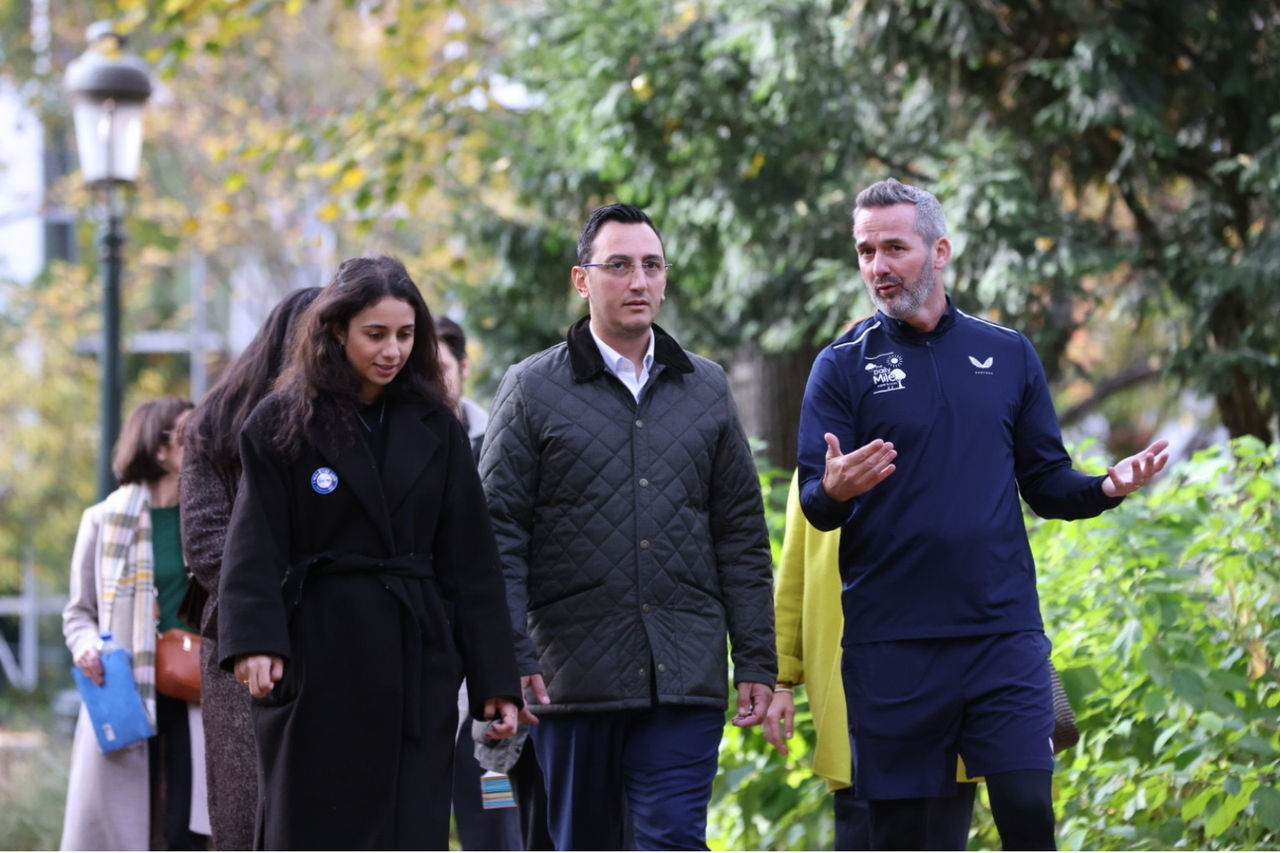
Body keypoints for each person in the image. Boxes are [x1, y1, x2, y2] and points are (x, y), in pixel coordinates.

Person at [797, 178, 1169, 850]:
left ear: (939, 251)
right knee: (907, 838)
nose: (877, 266)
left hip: (1002, 636)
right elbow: (813, 504)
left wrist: (1106, 486)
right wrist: (835, 489)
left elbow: (1048, 483)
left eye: (894, 248)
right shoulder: (841, 367)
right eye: (864, 251)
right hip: (892, 646)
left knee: (1029, 811)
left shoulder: (1006, 354)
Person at [479, 203, 777, 851]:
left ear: (665, 279)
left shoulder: (706, 387)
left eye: (651, 265)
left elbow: (741, 533)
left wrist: (756, 658)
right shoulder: (530, 389)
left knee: (670, 838)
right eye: (618, 265)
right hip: (573, 674)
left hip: (684, 671)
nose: (638, 281)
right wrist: (510, 655)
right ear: (582, 280)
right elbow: (497, 533)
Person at [216, 255, 521, 849]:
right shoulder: (282, 422)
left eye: (405, 335)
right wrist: (255, 640)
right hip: (319, 653)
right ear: (336, 332)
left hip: (416, 659)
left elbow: (472, 562)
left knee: (408, 824)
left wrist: (495, 678)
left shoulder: (438, 423)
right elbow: (252, 541)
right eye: (375, 334)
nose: (393, 351)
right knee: (313, 825)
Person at [763, 471, 977, 850]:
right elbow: (795, 576)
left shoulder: (948, 444)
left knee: (941, 829)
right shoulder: (823, 459)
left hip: (946, 677)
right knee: (864, 828)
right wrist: (779, 677)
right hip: (857, 689)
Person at [179, 285, 320, 850]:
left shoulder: (354, 421)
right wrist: (276, 599)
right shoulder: (216, 424)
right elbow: (205, 543)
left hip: (339, 640)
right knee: (246, 806)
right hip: (243, 639)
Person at [62, 397, 209, 851]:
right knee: (127, 827)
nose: (200, 445)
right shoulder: (103, 522)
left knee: (189, 823)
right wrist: (87, 646)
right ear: (158, 448)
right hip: (124, 684)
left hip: (196, 688)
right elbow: (79, 612)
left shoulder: (208, 519)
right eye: (188, 436)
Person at [435, 314, 552, 851]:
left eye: (439, 367)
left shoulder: (500, 437)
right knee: (486, 817)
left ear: (462, 366)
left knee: (526, 812)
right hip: (449, 673)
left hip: (526, 661)